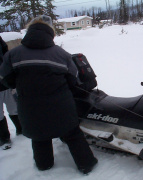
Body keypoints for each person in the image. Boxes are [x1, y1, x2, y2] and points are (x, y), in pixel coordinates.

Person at [0, 15, 98, 174]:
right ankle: (86, 164)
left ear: (29, 31)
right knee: (73, 135)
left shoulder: (13, 54)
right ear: (50, 33)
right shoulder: (61, 54)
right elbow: (73, 80)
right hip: (61, 106)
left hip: (30, 107)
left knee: (39, 136)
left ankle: (44, 165)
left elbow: (5, 78)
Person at [0, 36, 22, 150]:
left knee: (14, 108)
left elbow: (5, 53)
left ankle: (21, 130)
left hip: (6, 83)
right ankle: (4, 138)